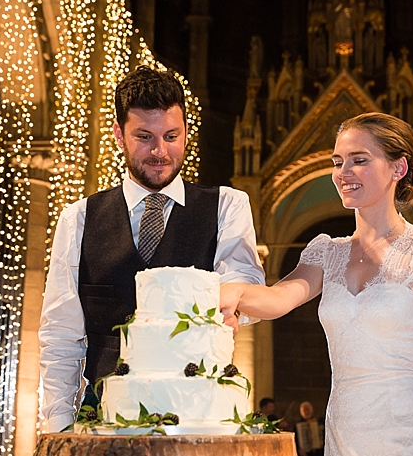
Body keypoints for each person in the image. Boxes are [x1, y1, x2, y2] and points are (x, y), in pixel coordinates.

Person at [220, 112, 413, 456]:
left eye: (358, 160)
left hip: (407, 437)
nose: (342, 173)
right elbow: (276, 299)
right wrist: (223, 294)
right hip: (344, 434)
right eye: (337, 161)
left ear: (398, 167)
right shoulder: (324, 253)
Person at [39, 66, 265, 433]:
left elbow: (245, 282)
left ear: (187, 134)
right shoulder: (79, 218)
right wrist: (57, 431)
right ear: (119, 135)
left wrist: (232, 303)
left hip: (198, 419)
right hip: (102, 421)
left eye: (171, 136)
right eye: (144, 137)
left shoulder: (227, 205)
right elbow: (60, 337)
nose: (160, 151)